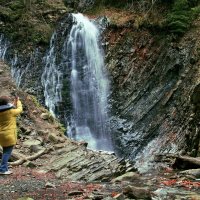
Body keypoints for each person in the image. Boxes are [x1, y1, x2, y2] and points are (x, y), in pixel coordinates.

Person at [0, 96, 23, 175]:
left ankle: (5, 168)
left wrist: (14, 102)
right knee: (7, 153)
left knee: (5, 151)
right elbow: (19, 109)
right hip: (9, 135)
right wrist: (18, 102)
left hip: (1, 135)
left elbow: (8, 107)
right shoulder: (11, 112)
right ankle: (2, 169)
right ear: (6, 103)